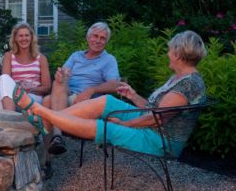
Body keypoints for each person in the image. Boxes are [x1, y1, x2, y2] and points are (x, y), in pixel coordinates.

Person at [11, 30, 207, 157]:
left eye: (171, 50)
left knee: (107, 128)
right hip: (150, 124)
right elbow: (153, 109)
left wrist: (124, 123)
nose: (168, 54)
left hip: (160, 140)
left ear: (180, 54)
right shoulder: (179, 78)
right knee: (106, 101)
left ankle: (43, 116)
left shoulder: (188, 84)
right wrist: (132, 95)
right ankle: (47, 120)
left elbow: (158, 119)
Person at [45, 22, 120, 155]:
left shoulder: (109, 60)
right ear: (88, 37)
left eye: (102, 38)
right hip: (66, 96)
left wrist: (91, 90)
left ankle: (47, 158)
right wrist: (60, 75)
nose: (98, 40)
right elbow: (64, 74)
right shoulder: (76, 56)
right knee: (59, 81)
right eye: (95, 36)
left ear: (106, 42)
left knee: (46, 102)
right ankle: (57, 137)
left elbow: (115, 84)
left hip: (84, 102)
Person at [0, 22, 51, 111]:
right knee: (3, 78)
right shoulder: (9, 56)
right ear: (16, 38)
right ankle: (10, 115)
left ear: (31, 38)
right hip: (14, 95)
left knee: (1, 97)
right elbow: (5, 81)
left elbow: (47, 87)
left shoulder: (41, 58)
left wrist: (30, 89)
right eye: (20, 36)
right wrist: (19, 87)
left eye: (26, 35)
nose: (24, 38)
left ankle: (7, 118)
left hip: (33, 97)